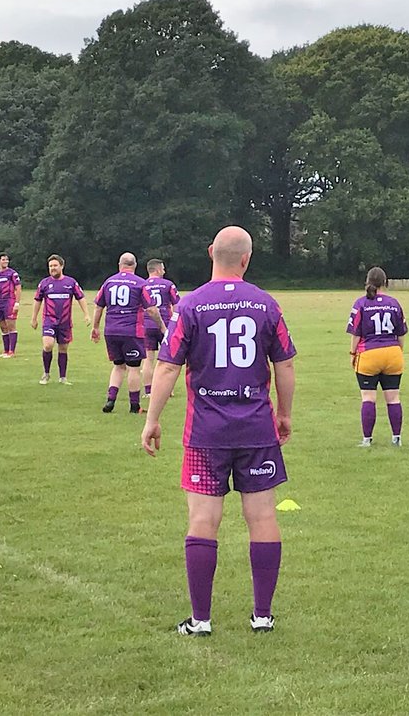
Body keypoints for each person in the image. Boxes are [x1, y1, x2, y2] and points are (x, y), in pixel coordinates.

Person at [142, 226, 297, 635]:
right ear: (247, 259)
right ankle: (262, 616)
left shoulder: (191, 305)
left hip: (206, 431)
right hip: (256, 428)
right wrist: (284, 413)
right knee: (262, 516)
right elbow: (284, 365)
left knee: (203, 519)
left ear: (212, 252)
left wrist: (152, 419)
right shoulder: (266, 305)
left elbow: (169, 366)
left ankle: (201, 620)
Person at [91, 253, 166, 414]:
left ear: (120, 265)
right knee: (133, 368)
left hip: (111, 330)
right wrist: (162, 326)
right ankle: (134, 406)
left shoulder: (109, 281)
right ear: (135, 265)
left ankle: (111, 400)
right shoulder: (140, 283)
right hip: (132, 330)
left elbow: (98, 306)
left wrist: (95, 327)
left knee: (118, 366)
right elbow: (151, 309)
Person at [347, 267, 408, 447]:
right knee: (394, 397)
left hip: (369, 354)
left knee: (368, 397)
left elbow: (356, 334)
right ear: (385, 282)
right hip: (393, 353)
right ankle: (396, 438)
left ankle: (367, 439)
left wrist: (352, 353)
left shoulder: (361, 304)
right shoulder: (394, 303)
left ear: (368, 282)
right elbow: (401, 333)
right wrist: (398, 351)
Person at [30, 254, 91, 385]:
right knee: (48, 345)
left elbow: (81, 298)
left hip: (65, 322)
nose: (52, 268)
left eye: (55, 266)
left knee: (63, 349)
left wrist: (86, 314)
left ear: (62, 266)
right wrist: (34, 318)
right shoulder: (44, 283)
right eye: (50, 266)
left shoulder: (71, 283)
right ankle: (46, 374)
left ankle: (63, 377)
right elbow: (37, 300)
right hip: (49, 321)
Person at [142, 258, 181, 396]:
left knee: (148, 358)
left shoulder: (142, 285)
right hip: (165, 324)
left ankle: (148, 391)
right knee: (167, 360)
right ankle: (167, 390)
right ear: (158, 269)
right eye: (163, 268)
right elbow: (177, 306)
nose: (164, 271)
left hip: (146, 325)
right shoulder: (168, 285)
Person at [0, 253, 22, 358]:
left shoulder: (12, 273)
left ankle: (11, 351)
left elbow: (18, 288)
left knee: (10, 325)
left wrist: (17, 303)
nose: (5, 261)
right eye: (3, 260)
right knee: (3, 327)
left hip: (9, 301)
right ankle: (5, 350)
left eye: (7, 259)